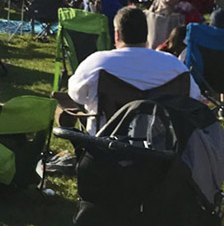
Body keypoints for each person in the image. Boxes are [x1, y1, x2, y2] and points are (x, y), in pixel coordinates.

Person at [68, 7, 201, 133]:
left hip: (108, 146)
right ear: (146, 34)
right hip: (163, 146)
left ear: (117, 34)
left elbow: (77, 95)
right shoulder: (174, 65)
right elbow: (193, 97)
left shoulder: (97, 63)